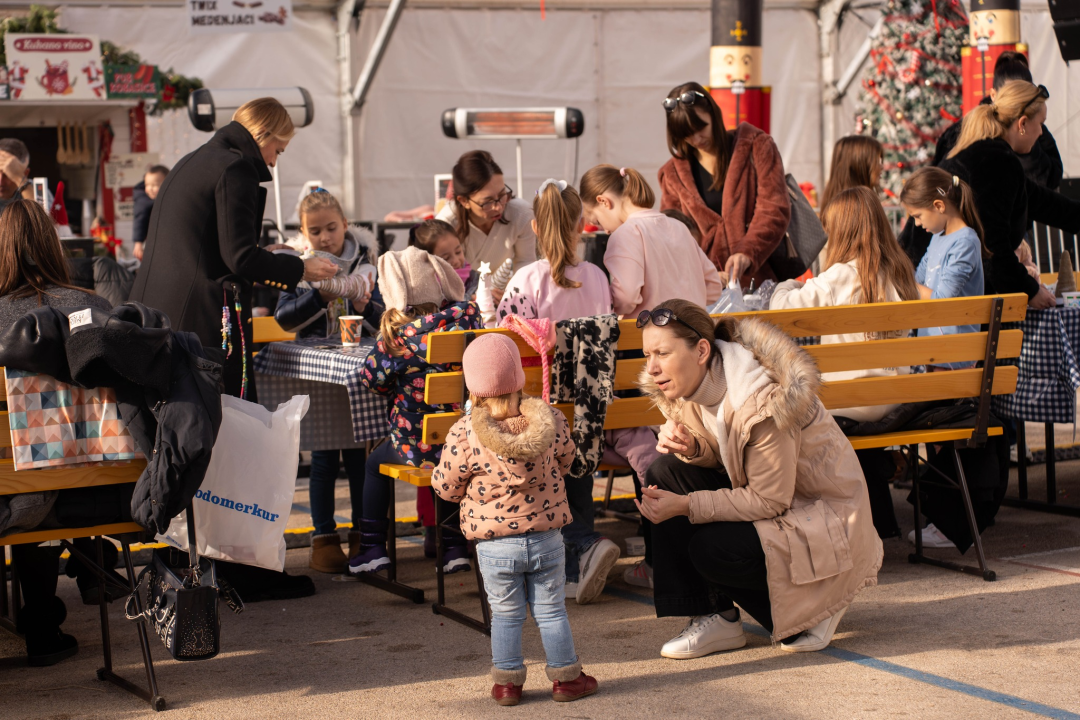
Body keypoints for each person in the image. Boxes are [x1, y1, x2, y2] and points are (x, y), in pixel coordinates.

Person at [128, 97, 337, 601]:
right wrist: (301, 268)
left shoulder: (197, 159)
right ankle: (232, 565)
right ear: (264, 137)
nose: (275, 160)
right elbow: (238, 256)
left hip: (159, 320)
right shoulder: (236, 169)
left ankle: (183, 559)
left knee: (178, 441)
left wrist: (277, 259)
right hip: (203, 325)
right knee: (222, 435)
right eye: (279, 149)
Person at [634, 299, 882, 657]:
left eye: (662, 353)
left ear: (702, 350)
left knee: (711, 548)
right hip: (785, 508)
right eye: (647, 355)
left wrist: (687, 505)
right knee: (665, 473)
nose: (652, 368)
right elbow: (736, 456)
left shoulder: (764, 398)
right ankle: (715, 615)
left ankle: (811, 611)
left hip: (826, 524)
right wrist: (694, 448)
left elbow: (770, 499)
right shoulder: (694, 385)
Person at [494, 179, 660, 603]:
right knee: (577, 449)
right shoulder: (596, 277)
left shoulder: (525, 280)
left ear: (534, 226)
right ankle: (582, 550)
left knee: (558, 445)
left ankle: (579, 550)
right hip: (598, 410)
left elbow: (503, 342)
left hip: (547, 416)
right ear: (581, 226)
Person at [432, 334, 598, 706]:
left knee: (505, 615)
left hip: (494, 546)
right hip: (546, 537)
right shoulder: (550, 420)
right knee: (552, 611)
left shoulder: (465, 432)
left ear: (473, 387)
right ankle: (567, 678)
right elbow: (571, 462)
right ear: (519, 379)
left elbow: (445, 487)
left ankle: (508, 684)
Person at [0, 199, 121, 666]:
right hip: (94, 491)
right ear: (54, 247)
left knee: (28, 478)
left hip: (15, 492)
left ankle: (43, 620)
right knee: (54, 474)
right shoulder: (93, 306)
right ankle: (91, 573)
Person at [770, 187, 919, 539]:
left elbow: (782, 310)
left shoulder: (840, 275)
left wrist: (786, 283)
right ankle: (879, 518)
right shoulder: (900, 270)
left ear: (842, 232)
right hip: (897, 400)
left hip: (851, 405)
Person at [354, 246, 482, 575]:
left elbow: (373, 380)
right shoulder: (467, 322)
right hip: (466, 440)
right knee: (445, 458)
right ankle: (454, 548)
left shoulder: (400, 338)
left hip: (415, 443)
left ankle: (372, 549)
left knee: (373, 464)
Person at [273, 188, 380, 573]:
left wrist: (367, 306)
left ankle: (361, 535)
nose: (325, 237)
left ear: (346, 226)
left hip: (354, 374)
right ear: (303, 232)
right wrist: (318, 296)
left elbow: (385, 317)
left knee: (356, 457)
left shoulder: (365, 262)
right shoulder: (299, 267)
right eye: (315, 231)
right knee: (321, 457)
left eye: (332, 228)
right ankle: (323, 535)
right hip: (316, 375)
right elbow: (285, 319)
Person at [935, 80, 1080, 310]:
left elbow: (1045, 203)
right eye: (1041, 124)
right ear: (1022, 124)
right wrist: (1030, 290)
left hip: (948, 291)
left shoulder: (985, 154)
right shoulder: (997, 162)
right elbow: (992, 244)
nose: (1041, 132)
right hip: (954, 300)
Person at [657, 81, 791, 286]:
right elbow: (673, 233)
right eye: (686, 134)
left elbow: (773, 209)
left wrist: (748, 252)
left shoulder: (757, 146)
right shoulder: (672, 174)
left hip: (760, 282)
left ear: (713, 113)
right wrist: (704, 273)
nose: (696, 138)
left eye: (701, 127)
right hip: (705, 289)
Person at [579, 164, 723, 318]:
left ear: (604, 201)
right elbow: (713, 286)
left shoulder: (625, 234)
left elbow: (626, 298)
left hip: (650, 336)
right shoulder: (679, 227)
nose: (606, 230)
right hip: (694, 331)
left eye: (598, 222)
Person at [932, 51, 1063, 191]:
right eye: (1010, 95)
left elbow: (1050, 182)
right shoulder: (963, 133)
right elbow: (936, 184)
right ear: (994, 94)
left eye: (1022, 95)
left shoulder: (1037, 130)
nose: (1015, 103)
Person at [901, 167, 987, 368]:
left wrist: (906, 284)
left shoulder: (965, 241)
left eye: (918, 215)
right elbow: (917, 280)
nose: (917, 223)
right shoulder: (937, 238)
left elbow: (942, 301)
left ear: (939, 205)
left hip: (953, 354)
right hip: (933, 351)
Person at [436, 150, 537, 301]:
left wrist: (514, 290)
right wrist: (470, 298)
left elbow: (525, 261)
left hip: (505, 296)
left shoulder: (520, 213)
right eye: (487, 202)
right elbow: (439, 278)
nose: (498, 207)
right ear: (464, 201)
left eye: (502, 194)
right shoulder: (446, 224)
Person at [411, 218, 479, 300]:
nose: (456, 261)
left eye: (458, 252)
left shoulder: (474, 278)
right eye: (446, 258)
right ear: (427, 261)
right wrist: (471, 299)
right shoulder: (425, 292)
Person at [820, 135, 883, 210]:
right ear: (859, 164)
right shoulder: (857, 205)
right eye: (876, 161)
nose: (881, 167)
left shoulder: (833, 202)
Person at [131, 165, 169, 261]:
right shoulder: (143, 202)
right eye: (147, 185)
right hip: (153, 241)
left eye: (155, 185)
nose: (150, 188)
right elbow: (140, 220)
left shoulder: (166, 199)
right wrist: (138, 242)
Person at [0, 138, 32, 213]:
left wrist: (21, 180)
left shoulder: (36, 189)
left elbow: (41, 222)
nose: (0, 181)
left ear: (25, 173)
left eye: (8, 174)